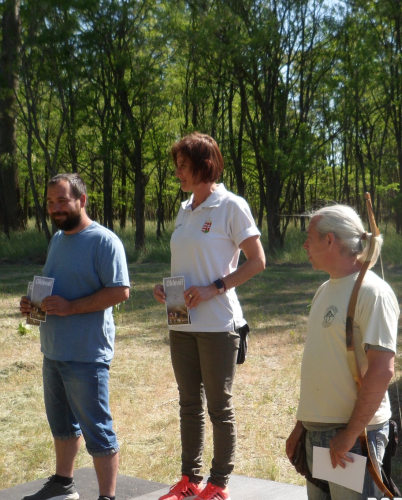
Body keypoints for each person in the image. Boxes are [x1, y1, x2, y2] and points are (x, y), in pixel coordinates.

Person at [153, 132, 266, 500]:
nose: (177, 174)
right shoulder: (185, 210)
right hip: (181, 322)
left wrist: (214, 287)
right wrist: (166, 291)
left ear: (204, 166)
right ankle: (190, 480)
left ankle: (218, 484)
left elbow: (258, 262)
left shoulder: (231, 206)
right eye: (176, 167)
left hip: (219, 325)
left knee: (219, 405)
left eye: (182, 167)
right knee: (189, 403)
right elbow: (187, 263)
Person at [18, 173, 131, 500]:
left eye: (62, 201)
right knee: (63, 425)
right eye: (50, 202)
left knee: (98, 430)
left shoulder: (104, 241)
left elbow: (120, 291)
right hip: (53, 350)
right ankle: (63, 484)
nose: (55, 208)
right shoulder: (57, 239)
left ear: (81, 200)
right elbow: (54, 287)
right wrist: (32, 305)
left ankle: (107, 497)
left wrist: (71, 308)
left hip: (86, 354)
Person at [285, 205, 399, 500]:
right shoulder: (325, 289)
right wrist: (303, 425)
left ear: (330, 240)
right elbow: (323, 363)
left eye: (310, 237)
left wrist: (349, 435)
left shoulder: (373, 292)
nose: (305, 244)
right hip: (320, 434)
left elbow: (382, 370)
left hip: (353, 439)